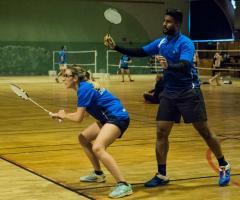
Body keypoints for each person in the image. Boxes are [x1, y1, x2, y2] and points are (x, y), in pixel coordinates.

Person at [104, 8, 230, 187]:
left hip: (189, 91)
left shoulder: (185, 43)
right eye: (164, 21)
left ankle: (224, 165)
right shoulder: (161, 42)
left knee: (204, 132)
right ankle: (162, 175)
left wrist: (169, 65)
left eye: (169, 21)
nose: (164, 24)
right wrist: (116, 47)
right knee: (161, 132)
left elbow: (186, 65)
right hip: (170, 92)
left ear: (177, 24)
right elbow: (141, 51)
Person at [50, 66, 133, 198]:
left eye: (66, 76)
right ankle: (98, 174)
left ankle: (123, 184)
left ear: (75, 78)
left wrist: (64, 115)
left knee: (98, 147)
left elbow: (78, 118)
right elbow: (85, 115)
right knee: (83, 138)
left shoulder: (84, 89)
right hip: (107, 118)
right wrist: (62, 115)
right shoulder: (83, 87)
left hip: (117, 117)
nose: (63, 79)